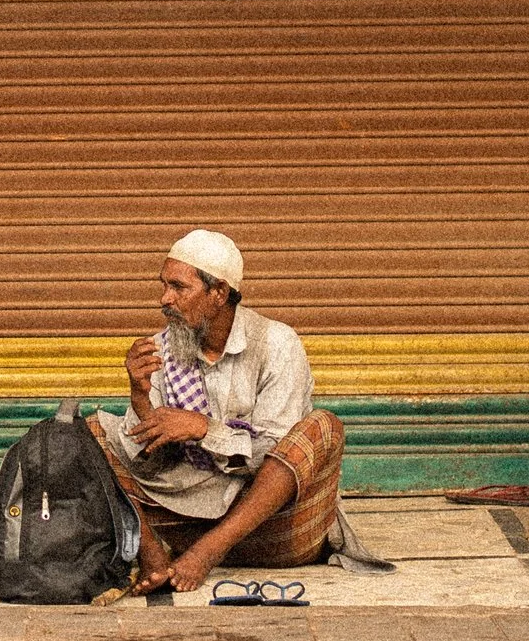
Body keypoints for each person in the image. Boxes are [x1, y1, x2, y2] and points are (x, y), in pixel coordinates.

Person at [89, 229, 392, 595]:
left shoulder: (276, 343)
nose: (164, 299)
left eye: (178, 287)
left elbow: (280, 451)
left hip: (278, 529)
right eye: (163, 285)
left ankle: (207, 553)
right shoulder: (160, 349)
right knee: (90, 431)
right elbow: (151, 465)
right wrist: (140, 398)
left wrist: (204, 429)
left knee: (322, 427)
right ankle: (152, 555)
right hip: (183, 524)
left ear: (218, 293)